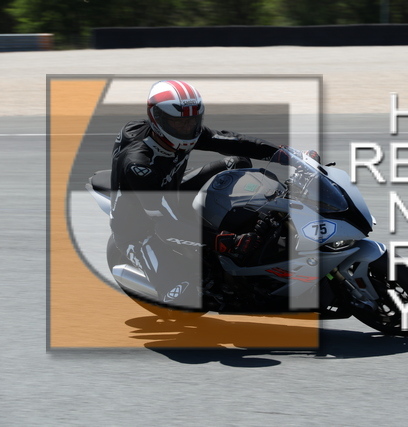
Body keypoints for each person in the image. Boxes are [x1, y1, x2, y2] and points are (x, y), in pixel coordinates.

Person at [110, 80, 281, 309]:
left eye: (192, 120)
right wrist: (224, 241)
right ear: (158, 119)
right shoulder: (139, 164)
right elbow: (165, 226)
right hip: (142, 229)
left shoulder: (176, 132)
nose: (187, 128)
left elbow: (234, 142)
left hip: (172, 189)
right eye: (178, 122)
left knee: (237, 163)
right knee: (186, 299)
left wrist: (284, 154)